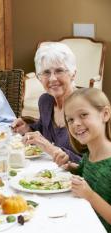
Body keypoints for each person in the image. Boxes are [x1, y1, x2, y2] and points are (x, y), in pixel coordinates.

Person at [11, 42, 81, 164]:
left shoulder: (84, 108)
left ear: (73, 74)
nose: (52, 79)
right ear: (39, 77)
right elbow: (44, 130)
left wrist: (51, 149)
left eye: (59, 71)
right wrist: (27, 128)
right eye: (46, 72)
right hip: (50, 175)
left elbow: (93, 166)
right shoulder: (46, 101)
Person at [63, 88, 111, 232]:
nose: (75, 123)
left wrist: (89, 195)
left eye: (83, 115)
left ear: (105, 114)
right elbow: (87, 175)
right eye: (70, 119)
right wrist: (72, 167)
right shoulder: (89, 154)